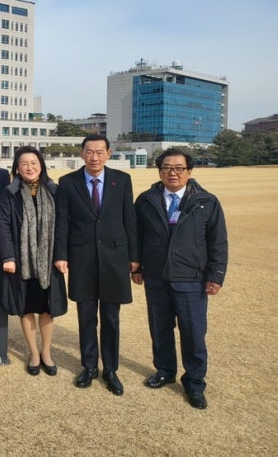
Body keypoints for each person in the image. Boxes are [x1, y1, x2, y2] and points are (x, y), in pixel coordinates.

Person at [133, 148, 228, 410]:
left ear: (189, 171)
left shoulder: (206, 202)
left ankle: (195, 383)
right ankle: (164, 371)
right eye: (166, 168)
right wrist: (136, 268)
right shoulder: (146, 200)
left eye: (178, 168)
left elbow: (217, 241)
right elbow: (137, 236)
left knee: (193, 333)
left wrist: (216, 276)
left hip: (191, 279)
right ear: (159, 170)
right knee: (160, 329)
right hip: (156, 278)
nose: (172, 173)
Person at [53, 134, 139, 396]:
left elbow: (129, 219)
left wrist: (134, 257)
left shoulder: (122, 180)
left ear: (109, 154)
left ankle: (110, 369)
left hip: (115, 258)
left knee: (111, 318)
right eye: (89, 152)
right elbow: (63, 222)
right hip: (82, 258)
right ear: (82, 154)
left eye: (100, 152)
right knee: (86, 316)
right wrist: (61, 254)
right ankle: (89, 366)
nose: (94, 157)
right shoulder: (67, 183)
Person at [0, 147, 67, 376]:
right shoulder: (10, 192)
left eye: (34, 162)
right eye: (24, 163)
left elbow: (63, 226)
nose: (29, 167)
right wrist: (8, 256)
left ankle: (47, 352)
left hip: (48, 262)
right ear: (17, 167)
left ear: (41, 165)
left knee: (48, 308)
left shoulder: (55, 190)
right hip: (22, 261)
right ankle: (34, 353)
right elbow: (3, 225)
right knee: (26, 307)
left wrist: (61, 256)